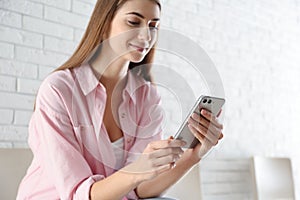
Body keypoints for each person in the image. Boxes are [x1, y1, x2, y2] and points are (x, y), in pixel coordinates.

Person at [17, 0, 224, 199]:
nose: (146, 36)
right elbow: (78, 195)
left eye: (153, 26)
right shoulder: (58, 90)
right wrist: (137, 170)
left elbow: (137, 190)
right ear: (105, 23)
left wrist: (194, 155)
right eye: (134, 22)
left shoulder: (146, 97)